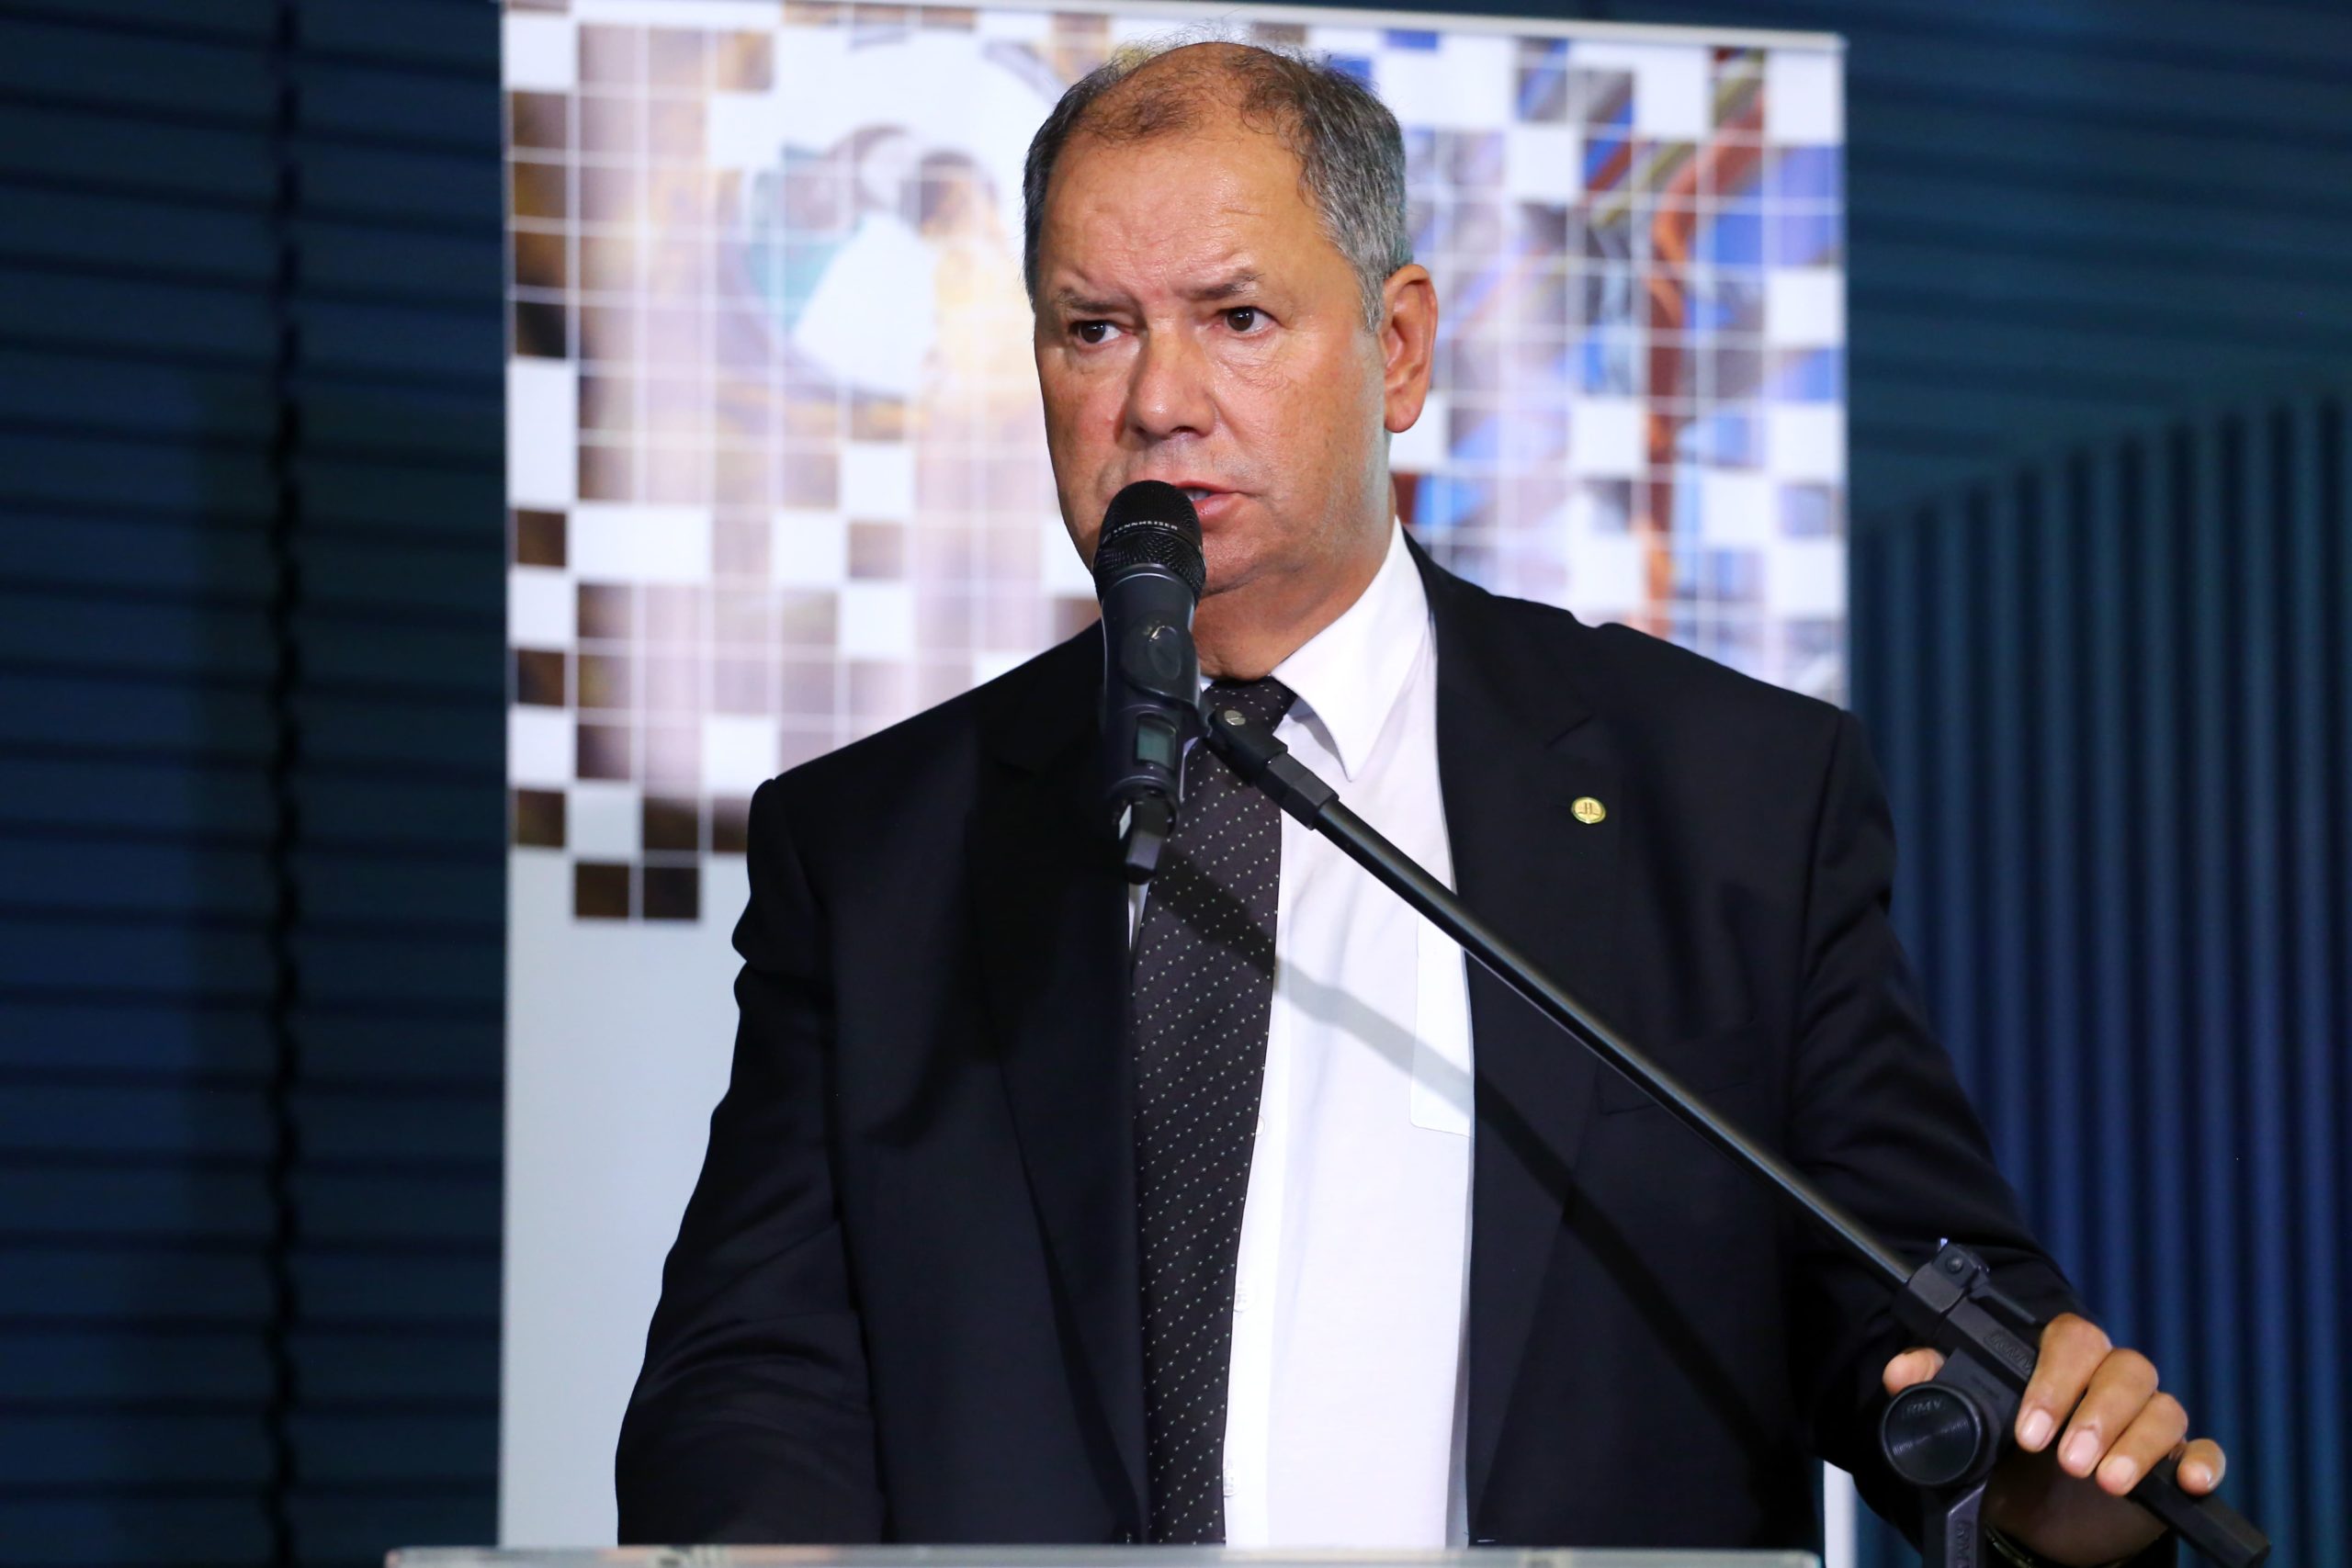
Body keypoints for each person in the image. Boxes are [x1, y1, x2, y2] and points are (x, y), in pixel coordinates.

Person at [616, 41, 2231, 1564]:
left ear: (1396, 350)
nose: (1157, 400)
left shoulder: (1725, 800)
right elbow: (748, 1379)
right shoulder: (881, 845)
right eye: (1091, 328)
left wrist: (2041, 1471)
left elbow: (1906, 1312)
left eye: (1237, 317)